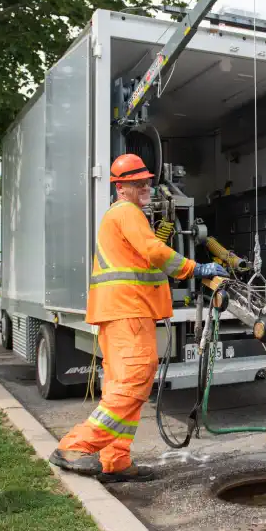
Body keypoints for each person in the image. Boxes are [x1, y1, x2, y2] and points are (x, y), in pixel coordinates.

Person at [49, 153, 228, 484]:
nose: (146, 185)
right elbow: (155, 252)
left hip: (125, 311)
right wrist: (196, 268)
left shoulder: (122, 216)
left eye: (146, 180)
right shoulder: (127, 213)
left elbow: (146, 259)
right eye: (137, 182)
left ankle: (115, 460)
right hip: (127, 311)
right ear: (120, 188)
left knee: (126, 384)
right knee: (134, 380)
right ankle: (76, 446)